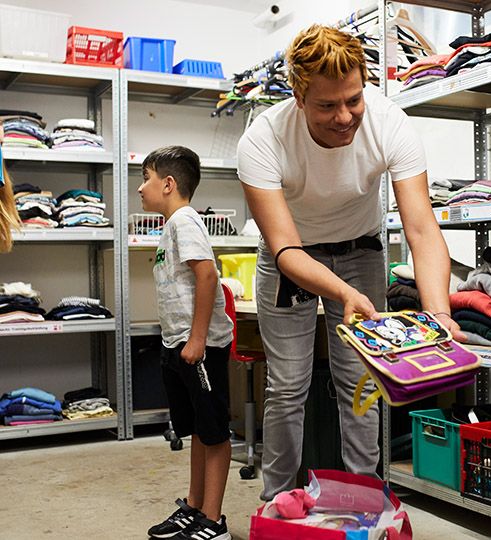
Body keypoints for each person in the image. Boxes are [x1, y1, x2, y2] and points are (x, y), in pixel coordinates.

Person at [236, 24, 464, 500]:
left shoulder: (389, 122)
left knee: (362, 384)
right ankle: (278, 503)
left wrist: (439, 313)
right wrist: (340, 293)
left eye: (353, 100)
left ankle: (363, 497)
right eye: (326, 106)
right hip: (291, 259)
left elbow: (421, 228)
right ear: (298, 96)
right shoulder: (262, 139)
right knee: (288, 386)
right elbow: (286, 250)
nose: (344, 117)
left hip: (361, 249)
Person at [139, 146, 233, 540]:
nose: (141, 188)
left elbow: (207, 276)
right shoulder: (170, 225)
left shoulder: (185, 221)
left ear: (169, 183)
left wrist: (196, 340)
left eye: (146, 178)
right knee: (196, 428)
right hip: (179, 345)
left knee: (214, 432)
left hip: (201, 347)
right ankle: (194, 509)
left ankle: (214, 521)